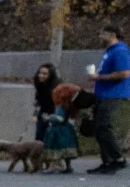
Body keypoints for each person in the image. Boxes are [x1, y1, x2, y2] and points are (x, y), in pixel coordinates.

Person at [88, 23, 129, 174]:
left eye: (102, 33)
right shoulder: (109, 52)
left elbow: (124, 73)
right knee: (98, 129)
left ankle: (118, 158)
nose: (99, 36)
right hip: (103, 95)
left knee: (104, 127)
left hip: (114, 95)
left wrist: (99, 77)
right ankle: (108, 162)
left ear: (111, 34)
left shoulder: (120, 51)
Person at [45, 83, 81, 171]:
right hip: (67, 130)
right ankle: (68, 166)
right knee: (66, 148)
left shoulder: (62, 107)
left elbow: (59, 119)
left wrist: (49, 117)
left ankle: (52, 165)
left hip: (58, 131)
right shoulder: (70, 106)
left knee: (55, 147)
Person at [33, 63, 62, 143]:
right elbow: (37, 102)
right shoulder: (40, 86)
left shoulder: (56, 87)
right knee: (39, 138)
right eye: (40, 73)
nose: (41, 75)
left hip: (53, 116)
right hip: (42, 115)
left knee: (50, 139)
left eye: (45, 74)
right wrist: (35, 115)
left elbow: (59, 104)